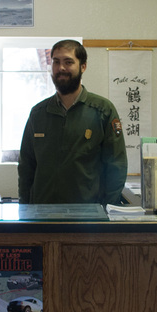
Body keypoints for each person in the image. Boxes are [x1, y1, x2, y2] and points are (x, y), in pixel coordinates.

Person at [18, 39, 128, 205]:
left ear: (83, 66)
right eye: (56, 62)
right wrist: (25, 209)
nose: (61, 68)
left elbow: (116, 166)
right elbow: (26, 166)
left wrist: (107, 210)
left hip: (88, 218)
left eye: (68, 62)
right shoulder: (38, 113)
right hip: (42, 215)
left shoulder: (103, 111)